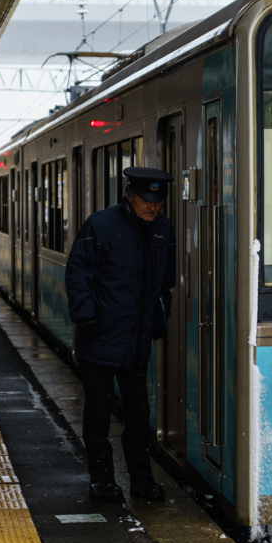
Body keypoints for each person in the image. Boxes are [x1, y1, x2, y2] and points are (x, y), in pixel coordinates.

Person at [65, 166, 176, 502]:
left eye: (157, 201)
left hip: (136, 342)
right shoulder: (100, 225)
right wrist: (87, 319)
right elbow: (78, 275)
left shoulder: (162, 229)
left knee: (138, 416)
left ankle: (141, 481)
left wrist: (160, 316)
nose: (151, 207)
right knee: (98, 414)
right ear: (129, 195)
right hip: (99, 338)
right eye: (145, 200)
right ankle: (102, 481)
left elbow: (165, 284)